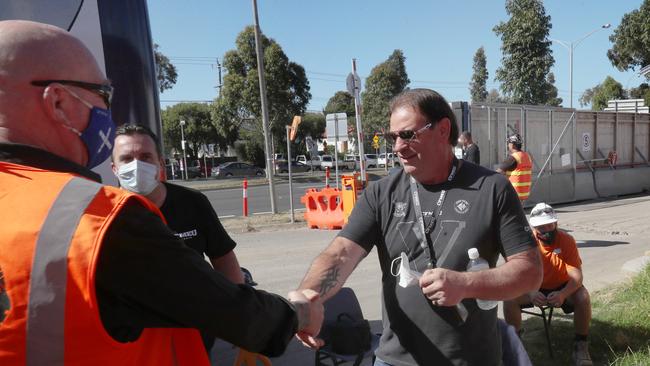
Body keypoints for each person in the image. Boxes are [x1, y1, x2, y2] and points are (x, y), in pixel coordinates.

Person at [0, 20, 322, 365]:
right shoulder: (97, 219)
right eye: (102, 95)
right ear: (59, 102)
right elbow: (236, 314)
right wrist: (297, 312)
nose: (106, 112)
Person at [294, 88, 542, 366]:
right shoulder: (382, 193)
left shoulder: (491, 188)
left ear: (443, 129)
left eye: (408, 134)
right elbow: (340, 253)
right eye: (393, 137)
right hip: (396, 360)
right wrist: (308, 297)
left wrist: (465, 284)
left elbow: (530, 273)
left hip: (472, 359)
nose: (398, 146)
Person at [111, 123, 245, 354]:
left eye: (145, 157)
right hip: (134, 340)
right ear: (114, 168)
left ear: (160, 164)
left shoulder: (192, 202)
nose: (136, 166)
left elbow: (223, 258)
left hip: (194, 330)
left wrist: (243, 317)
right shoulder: (103, 213)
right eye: (127, 159)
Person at [504, 203, 592, 366]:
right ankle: (514, 345)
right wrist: (530, 292)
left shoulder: (566, 240)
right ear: (533, 227)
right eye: (541, 227)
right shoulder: (524, 242)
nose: (546, 230)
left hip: (562, 286)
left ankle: (581, 345)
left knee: (583, 296)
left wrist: (563, 294)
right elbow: (515, 274)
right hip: (532, 287)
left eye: (549, 225)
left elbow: (577, 275)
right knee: (509, 299)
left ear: (556, 223)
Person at [497, 134, 532, 201]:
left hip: (513, 193)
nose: (508, 145)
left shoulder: (513, 158)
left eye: (509, 143)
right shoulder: (527, 156)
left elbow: (498, 172)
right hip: (524, 194)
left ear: (512, 145)